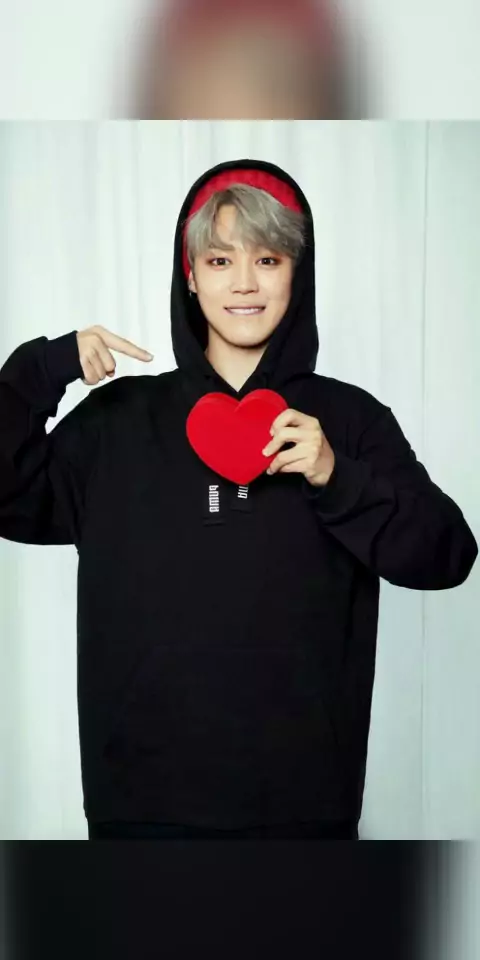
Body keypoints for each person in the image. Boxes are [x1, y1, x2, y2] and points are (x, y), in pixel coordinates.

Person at [0, 158, 477, 841]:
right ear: (191, 276)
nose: (245, 282)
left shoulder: (348, 421)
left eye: (268, 259)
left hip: (306, 814)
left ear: (297, 274)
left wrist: (338, 476)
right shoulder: (115, 422)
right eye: (220, 260)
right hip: (138, 811)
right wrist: (43, 370)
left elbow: (447, 554)